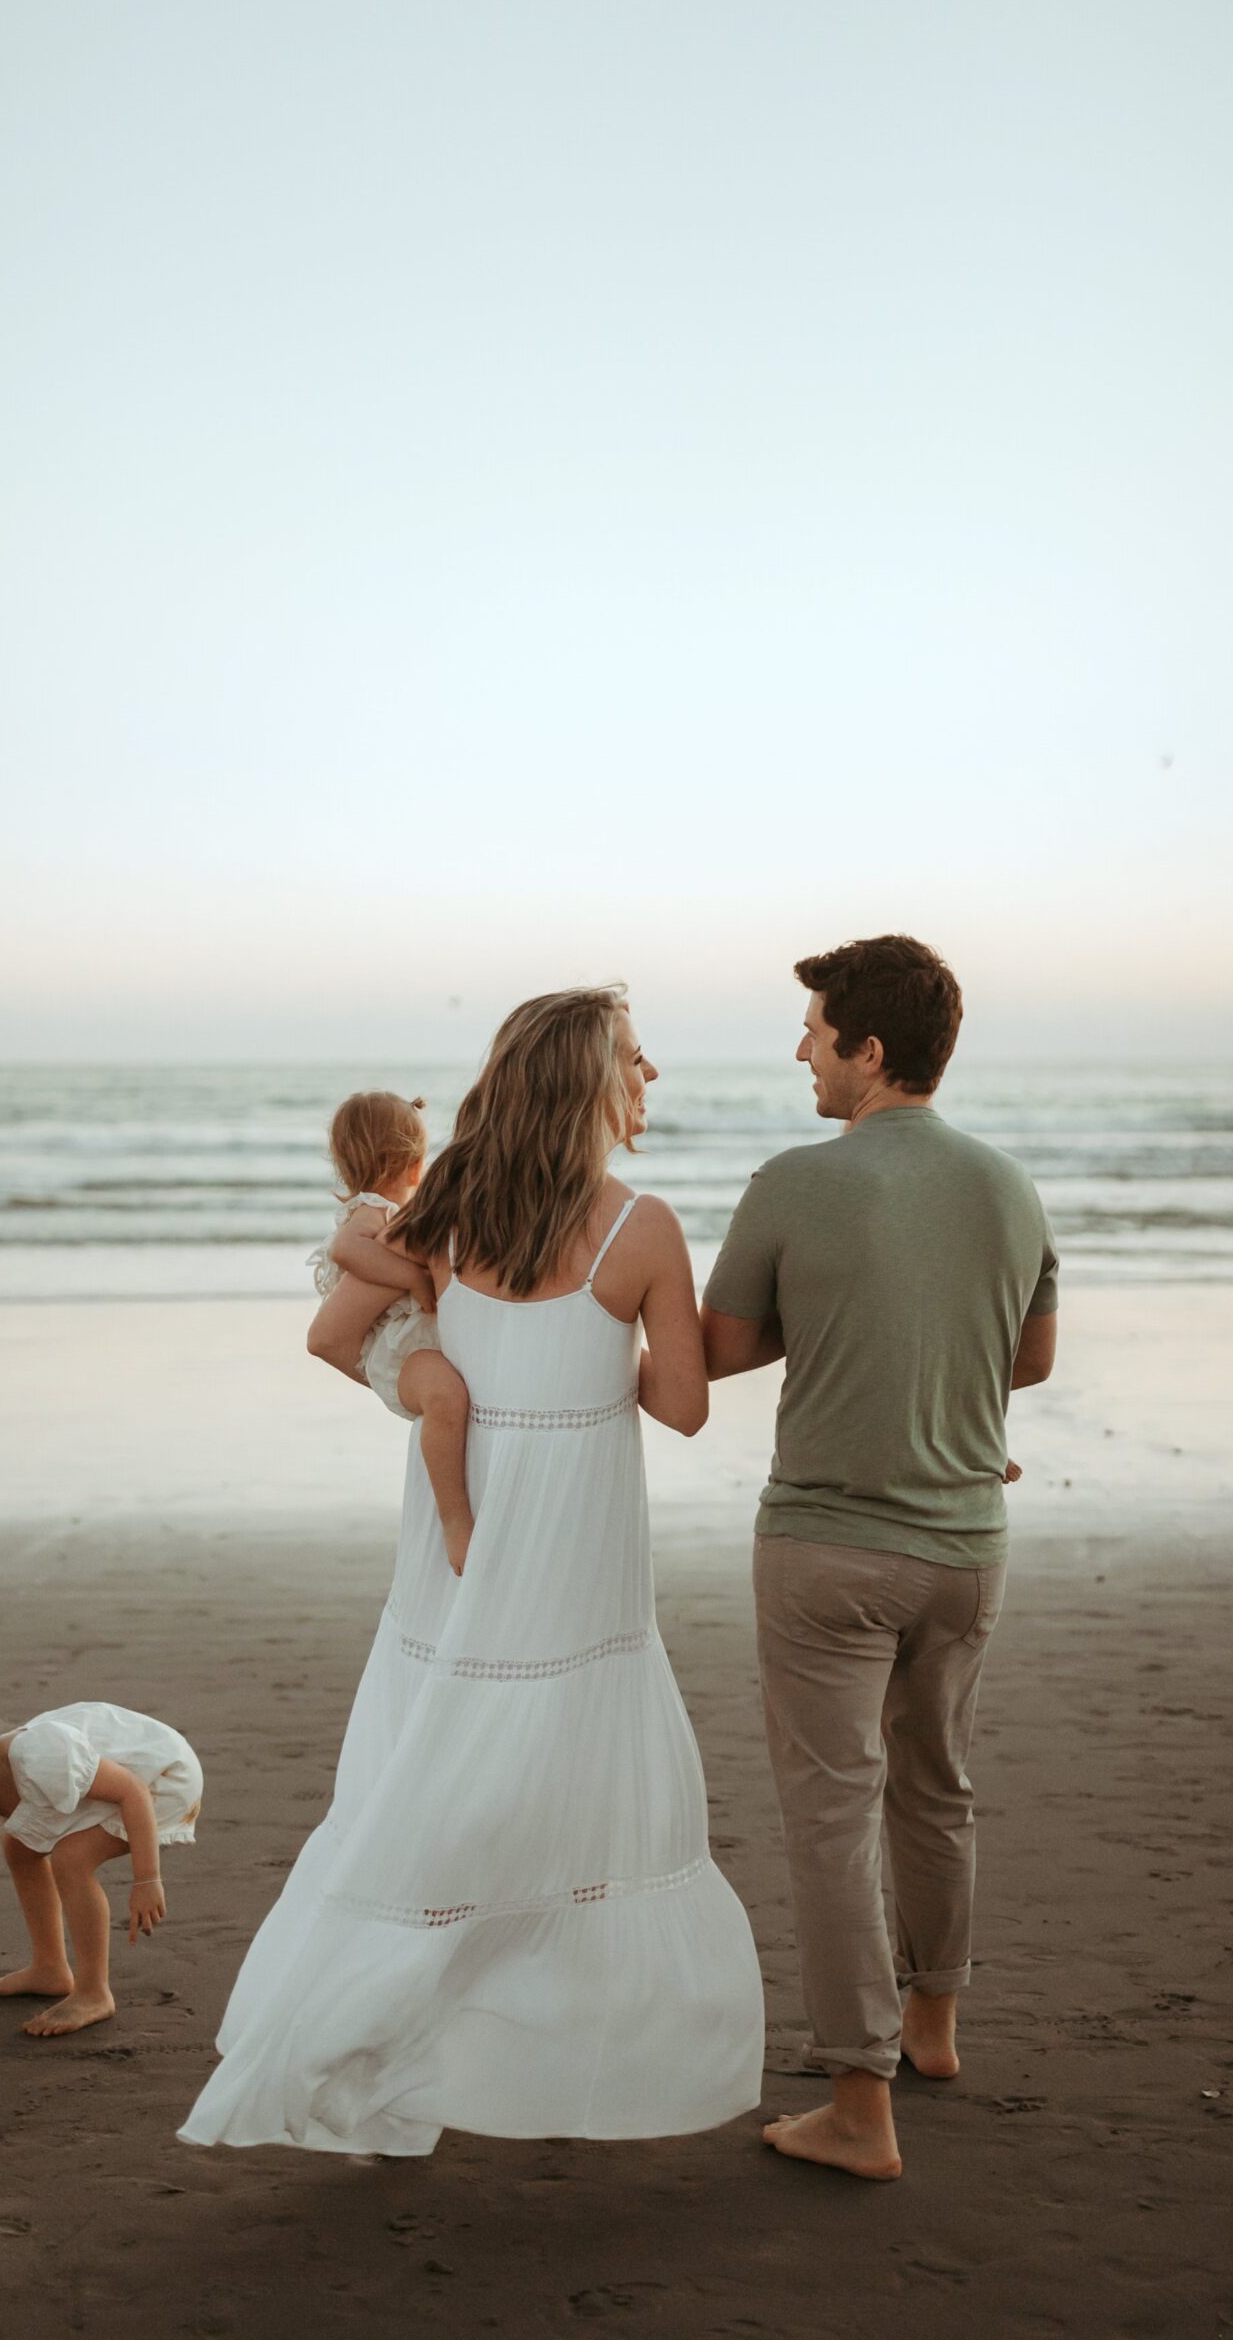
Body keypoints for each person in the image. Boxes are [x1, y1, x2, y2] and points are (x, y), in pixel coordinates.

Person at [180, 987, 764, 2156]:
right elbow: (688, 1409)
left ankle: (368, 2018)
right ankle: (510, 2033)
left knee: (443, 1758)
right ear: (592, 1082)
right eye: (638, 1063)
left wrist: (436, 1381)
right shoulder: (640, 1226)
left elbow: (335, 1338)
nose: (652, 1082)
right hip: (571, 1537)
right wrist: (601, 1375)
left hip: (459, 1528)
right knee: (546, 1773)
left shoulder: (442, 1201)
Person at [702, 934, 1058, 2181]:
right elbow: (1031, 1359)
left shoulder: (796, 1180)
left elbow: (723, 1346)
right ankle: (932, 2026)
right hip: (968, 1548)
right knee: (937, 1786)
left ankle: (860, 2103)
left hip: (829, 1550)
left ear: (868, 1049)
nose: (800, 1048)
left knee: (830, 1813)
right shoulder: (1011, 1185)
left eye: (815, 1030)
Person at [0, 1699, 204, 2040]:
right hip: (113, 1784)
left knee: (71, 1859)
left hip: (163, 1778)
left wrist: (146, 1879)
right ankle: (50, 1968)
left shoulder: (42, 1758)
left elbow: (132, 1791)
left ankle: (93, 1992)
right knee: (19, 1846)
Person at [306, 1090, 474, 1574]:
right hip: (397, 1347)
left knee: (450, 1397)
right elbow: (347, 1251)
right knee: (445, 1397)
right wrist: (414, 1277)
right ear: (412, 1163)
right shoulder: (373, 1210)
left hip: (406, 1342)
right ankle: (455, 1520)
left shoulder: (391, 1211)